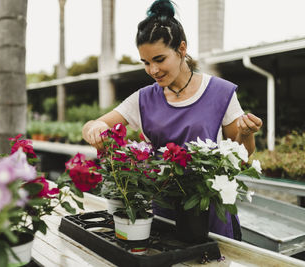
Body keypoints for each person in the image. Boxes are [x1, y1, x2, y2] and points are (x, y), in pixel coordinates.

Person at [82, 0, 262, 240]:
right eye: (146, 63)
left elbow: (242, 157)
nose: (153, 70)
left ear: (182, 49)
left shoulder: (220, 92)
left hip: (209, 214)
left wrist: (246, 133)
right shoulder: (143, 99)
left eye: (159, 59)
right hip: (162, 217)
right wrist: (96, 129)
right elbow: (92, 125)